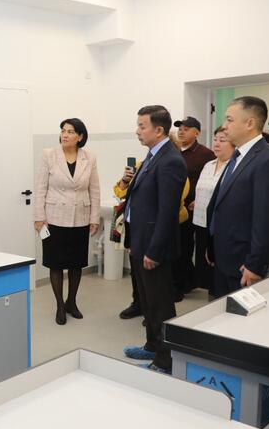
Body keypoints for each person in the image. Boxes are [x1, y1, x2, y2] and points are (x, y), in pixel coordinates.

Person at [121, 105, 186, 373]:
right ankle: (151, 346)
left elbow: (167, 212)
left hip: (154, 246)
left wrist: (154, 250)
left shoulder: (170, 160)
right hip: (141, 241)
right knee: (147, 301)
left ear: (159, 130)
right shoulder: (152, 155)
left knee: (160, 305)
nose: (137, 131)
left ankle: (165, 360)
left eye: (142, 126)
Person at [207, 97, 269, 297]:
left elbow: (266, 219)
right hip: (225, 256)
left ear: (249, 123)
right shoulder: (238, 156)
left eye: (229, 120)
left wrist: (255, 264)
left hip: (244, 262)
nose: (224, 126)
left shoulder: (267, 160)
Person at [34, 118, 101, 325]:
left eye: (70, 132)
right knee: (55, 264)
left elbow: (95, 190)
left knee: (76, 264)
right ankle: (60, 306)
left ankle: (71, 302)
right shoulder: (49, 155)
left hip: (80, 218)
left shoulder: (89, 157)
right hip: (54, 218)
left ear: (80, 136)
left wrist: (94, 218)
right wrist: (39, 217)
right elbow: (40, 188)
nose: (65, 135)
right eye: (63, 130)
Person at [115, 160, 189, 322]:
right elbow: (120, 192)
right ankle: (141, 305)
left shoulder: (171, 164)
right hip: (136, 229)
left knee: (157, 280)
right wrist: (125, 181)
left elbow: (170, 204)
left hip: (156, 229)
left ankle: (155, 317)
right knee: (138, 274)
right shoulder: (143, 164)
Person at [173, 116, 215, 297]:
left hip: (193, 209)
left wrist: (199, 199)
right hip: (175, 208)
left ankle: (183, 284)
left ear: (196, 133)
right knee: (177, 246)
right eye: (179, 128)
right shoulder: (174, 151)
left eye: (186, 129)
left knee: (186, 246)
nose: (181, 132)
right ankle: (187, 280)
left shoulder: (205, 154)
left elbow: (213, 179)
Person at [191, 126, 234, 296]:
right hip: (200, 220)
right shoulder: (209, 165)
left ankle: (219, 295)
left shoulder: (234, 166)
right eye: (215, 139)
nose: (216, 144)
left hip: (219, 224)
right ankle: (212, 294)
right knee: (205, 263)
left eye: (222, 140)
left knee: (218, 263)